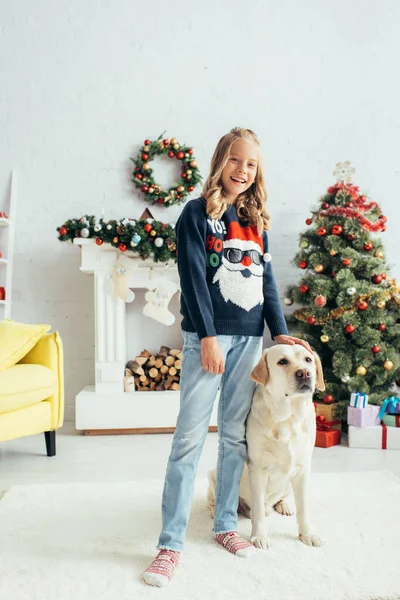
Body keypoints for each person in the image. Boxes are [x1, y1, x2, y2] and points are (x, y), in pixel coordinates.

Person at [143, 127, 311, 587]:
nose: (242, 170)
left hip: (250, 342)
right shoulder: (196, 214)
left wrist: (280, 333)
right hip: (209, 340)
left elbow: (267, 285)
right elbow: (194, 280)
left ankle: (224, 526)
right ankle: (169, 544)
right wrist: (209, 336)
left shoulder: (257, 222)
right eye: (235, 160)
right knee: (188, 441)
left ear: (258, 172)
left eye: (251, 164)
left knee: (235, 436)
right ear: (221, 162)